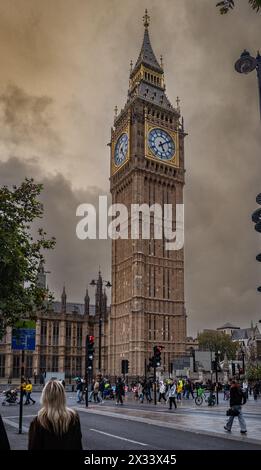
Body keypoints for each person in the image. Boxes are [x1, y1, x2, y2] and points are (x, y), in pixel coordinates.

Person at [28, 379, 82, 449]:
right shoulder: (74, 418)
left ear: (45, 396)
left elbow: (33, 447)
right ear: (63, 396)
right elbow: (78, 445)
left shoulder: (38, 421)